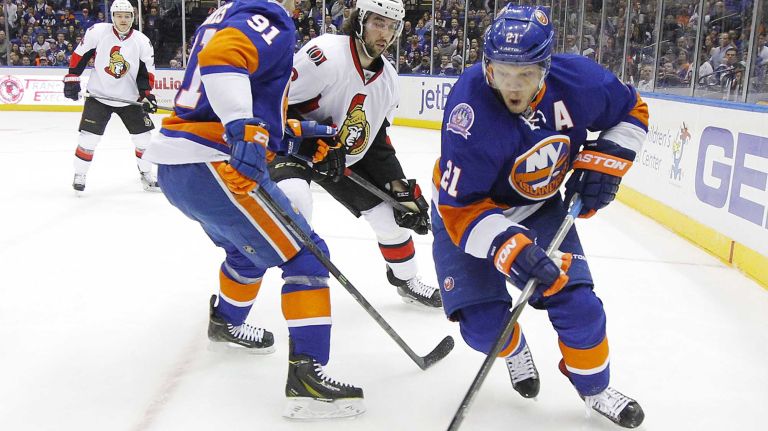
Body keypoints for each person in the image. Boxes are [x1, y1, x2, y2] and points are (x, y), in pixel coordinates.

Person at [140, 0, 364, 419]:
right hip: (216, 163)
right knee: (307, 256)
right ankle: (309, 380)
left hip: (179, 165)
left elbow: (230, 86)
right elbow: (222, 58)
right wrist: (243, 126)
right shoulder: (270, 14)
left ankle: (226, 321)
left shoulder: (226, 11)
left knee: (247, 251)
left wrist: (292, 134)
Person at [432, 6, 647, 428]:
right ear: (486, 67)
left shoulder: (581, 81)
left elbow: (633, 112)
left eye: (525, 75)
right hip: (469, 214)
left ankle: (596, 389)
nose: (512, 88)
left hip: (540, 208)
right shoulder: (468, 110)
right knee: (482, 329)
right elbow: (461, 211)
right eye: (502, 73)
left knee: (579, 304)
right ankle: (513, 350)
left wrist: (607, 161)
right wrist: (511, 248)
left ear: (546, 68)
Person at [269, 0, 442, 309]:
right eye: (378, 23)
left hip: (338, 156)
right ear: (359, 20)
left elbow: (375, 141)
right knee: (294, 199)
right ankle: (280, 286)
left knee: (390, 219)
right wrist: (310, 140)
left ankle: (406, 281)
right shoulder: (325, 55)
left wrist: (398, 187)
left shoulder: (388, 80)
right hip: (293, 146)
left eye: (392, 26)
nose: (385, 33)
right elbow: (274, 103)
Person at [62, 0, 160, 193]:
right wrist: (72, 76)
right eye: (119, 16)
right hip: (99, 95)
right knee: (88, 139)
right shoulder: (97, 32)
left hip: (130, 98)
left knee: (144, 139)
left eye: (127, 16)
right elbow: (80, 55)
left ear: (133, 17)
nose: (123, 20)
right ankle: (80, 174)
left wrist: (147, 95)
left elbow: (145, 73)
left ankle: (146, 174)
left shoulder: (142, 41)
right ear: (112, 16)